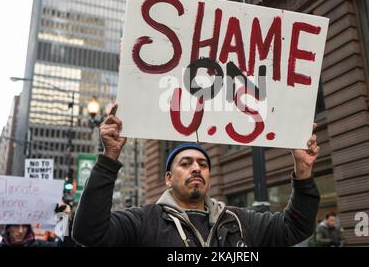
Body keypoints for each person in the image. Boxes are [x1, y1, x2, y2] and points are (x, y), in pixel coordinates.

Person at [72, 104, 321, 247]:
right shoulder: (143, 221)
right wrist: (109, 158)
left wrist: (303, 170)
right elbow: (88, 233)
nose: (196, 168)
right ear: (168, 178)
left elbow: (295, 228)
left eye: (203, 164)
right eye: (186, 163)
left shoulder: (238, 221)